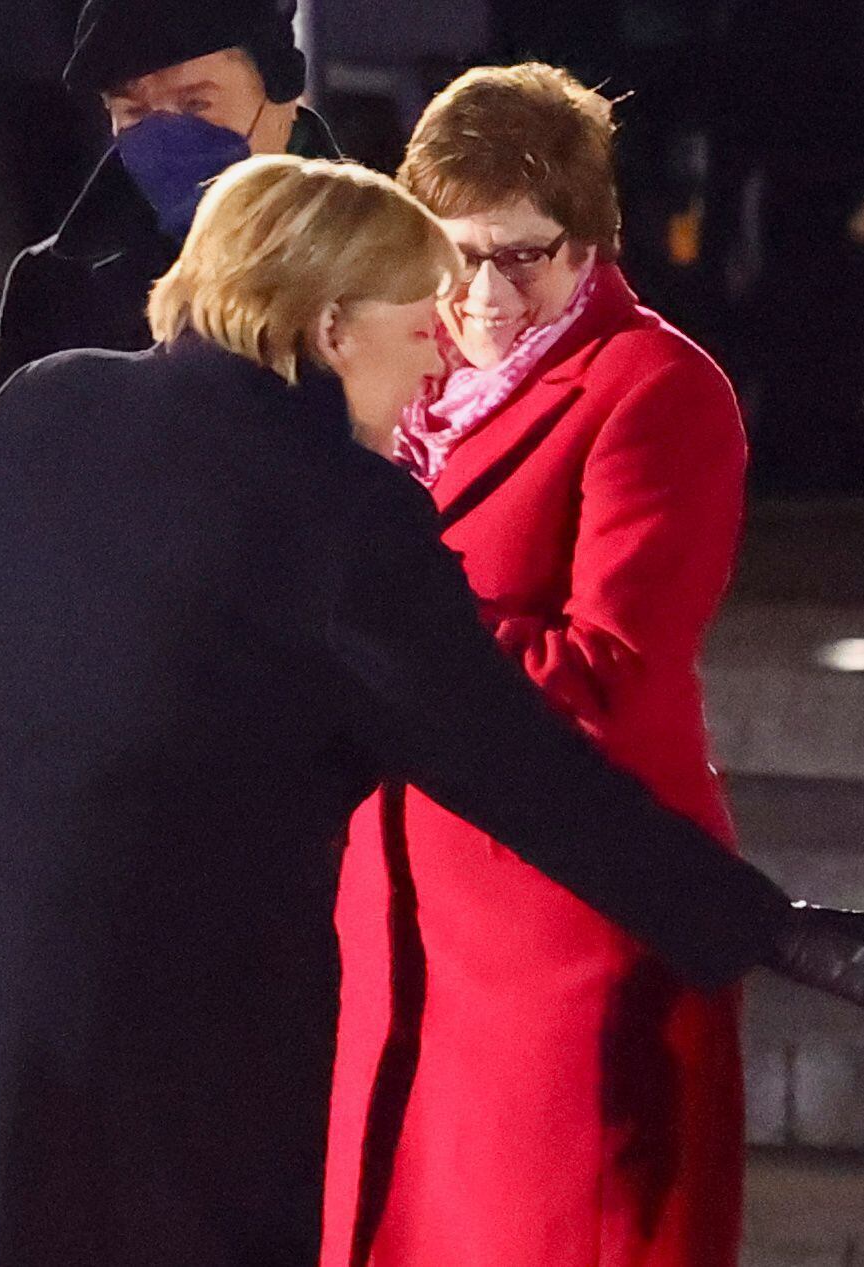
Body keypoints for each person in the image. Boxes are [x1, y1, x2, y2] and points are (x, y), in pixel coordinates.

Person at [0, 155, 864, 1267]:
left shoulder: (51, 397)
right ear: (331, 328)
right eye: (418, 324)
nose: (440, 359)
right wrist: (784, 933)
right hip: (93, 1034)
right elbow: (525, 776)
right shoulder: (341, 514)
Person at [322, 64, 746, 1267]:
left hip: (567, 929)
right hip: (397, 921)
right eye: (460, 257)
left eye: (527, 255)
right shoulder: (396, 373)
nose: (490, 295)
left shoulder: (655, 387)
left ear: (592, 239)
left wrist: (383, 623)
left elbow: (608, 669)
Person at [0, 0, 337, 399]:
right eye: (135, 112)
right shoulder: (54, 286)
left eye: (196, 104)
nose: (166, 135)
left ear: (282, 99)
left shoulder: (375, 262)